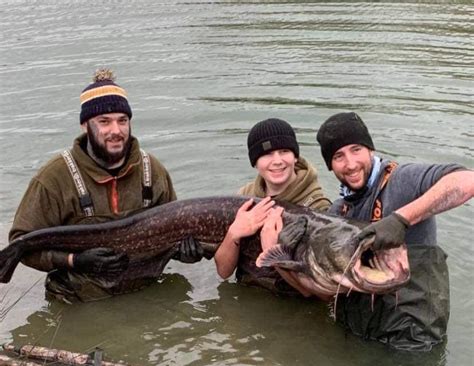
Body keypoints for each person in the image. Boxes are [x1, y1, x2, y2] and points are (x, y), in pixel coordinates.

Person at [279, 111, 473, 350]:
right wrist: (284, 252)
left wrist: (401, 219)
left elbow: (466, 180)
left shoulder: (402, 181)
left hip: (412, 341)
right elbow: (325, 292)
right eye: (339, 156)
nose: (350, 164)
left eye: (356, 150)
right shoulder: (339, 212)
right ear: (330, 165)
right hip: (357, 336)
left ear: (370, 149)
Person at [9, 69, 203, 304]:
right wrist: (74, 260)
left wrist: (186, 253)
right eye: (104, 122)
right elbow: (20, 244)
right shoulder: (53, 178)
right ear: (85, 125)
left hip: (146, 297)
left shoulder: (153, 170)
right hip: (78, 302)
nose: (116, 131)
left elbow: (175, 230)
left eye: (123, 120)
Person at [214, 118, 330, 288]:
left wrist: (273, 251)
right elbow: (223, 272)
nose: (277, 160)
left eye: (284, 151)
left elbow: (316, 289)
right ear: (255, 163)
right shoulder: (243, 198)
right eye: (267, 153)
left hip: (293, 303)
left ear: (295, 157)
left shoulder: (318, 208)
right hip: (247, 294)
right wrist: (233, 234)